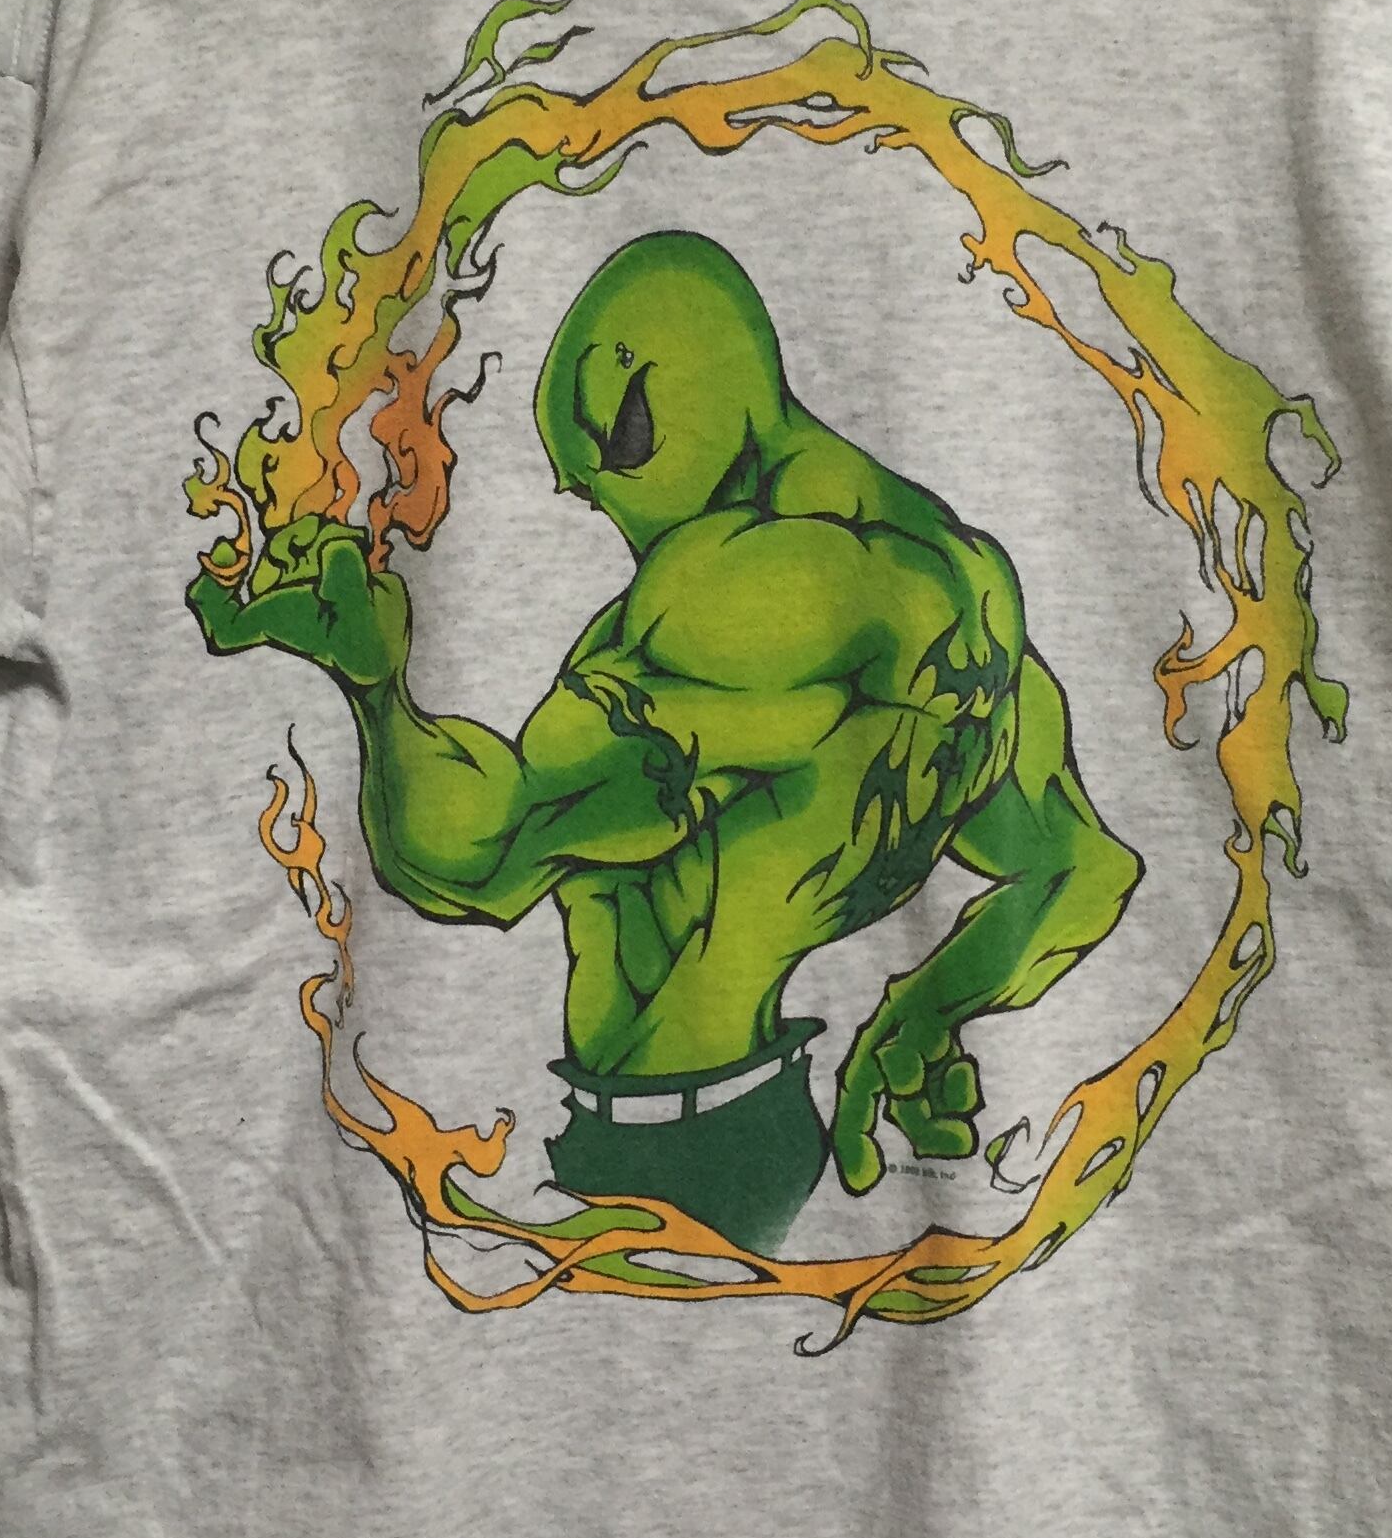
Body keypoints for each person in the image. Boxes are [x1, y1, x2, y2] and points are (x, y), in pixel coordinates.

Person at [190, 229, 1140, 1253]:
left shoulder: (724, 597)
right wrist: (920, 1016)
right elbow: (1080, 871)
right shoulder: (975, 613)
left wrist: (376, 689)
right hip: (760, 1131)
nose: (621, 528)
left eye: (604, 472)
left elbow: (477, 856)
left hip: (663, 1159)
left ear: (635, 408)